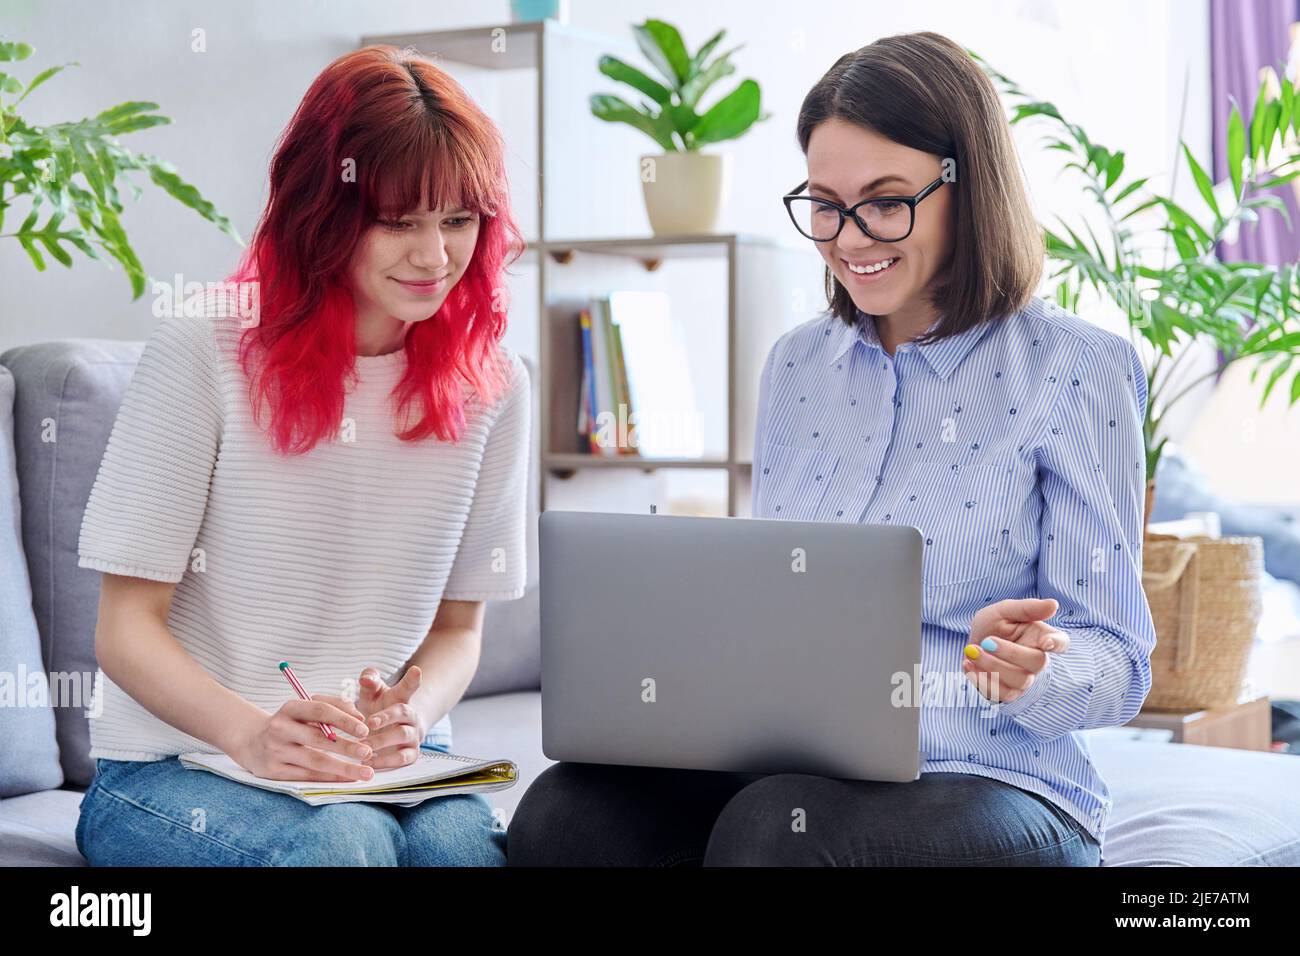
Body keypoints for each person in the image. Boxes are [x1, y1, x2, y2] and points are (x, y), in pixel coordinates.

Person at [507, 31, 1154, 867]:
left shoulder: (1076, 368)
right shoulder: (798, 366)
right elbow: (779, 606)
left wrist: (1037, 668)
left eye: (886, 201)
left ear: (969, 186)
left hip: (999, 780)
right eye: (824, 203)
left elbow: (1122, 665)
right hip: (797, 767)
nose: (850, 237)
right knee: (568, 811)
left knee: (776, 833)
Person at [74, 45, 530, 866]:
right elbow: (122, 629)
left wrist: (412, 715)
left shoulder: (495, 384)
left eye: (459, 220)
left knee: (462, 846)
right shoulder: (203, 349)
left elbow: (460, 627)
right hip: (173, 769)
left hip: (380, 771)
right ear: (322, 213)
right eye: (398, 222)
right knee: (346, 844)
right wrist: (251, 736)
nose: (435, 258)